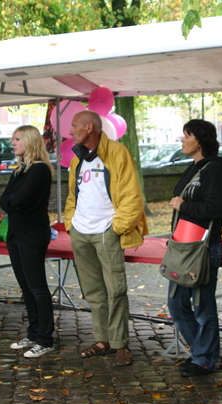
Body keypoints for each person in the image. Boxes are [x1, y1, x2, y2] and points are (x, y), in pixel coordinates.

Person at [64, 110, 148, 367]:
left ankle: (121, 343)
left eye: (74, 126)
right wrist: (71, 224)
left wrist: (115, 228)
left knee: (116, 290)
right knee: (94, 291)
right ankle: (103, 340)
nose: (70, 131)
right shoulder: (78, 159)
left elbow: (132, 196)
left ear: (89, 127)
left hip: (106, 232)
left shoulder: (117, 152)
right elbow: (72, 194)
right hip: (81, 232)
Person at [167, 119, 222, 377]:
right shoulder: (193, 167)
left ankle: (203, 358)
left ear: (200, 140)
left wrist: (184, 206)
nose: (181, 139)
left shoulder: (212, 169)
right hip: (184, 247)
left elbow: (218, 208)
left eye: (186, 135)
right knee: (176, 304)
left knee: (202, 307)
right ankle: (203, 353)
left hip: (203, 249)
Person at [0, 125, 55, 358]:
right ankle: (33, 333)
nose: (13, 143)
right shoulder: (20, 170)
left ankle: (45, 338)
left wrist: (14, 202)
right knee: (26, 287)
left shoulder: (39, 170)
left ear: (29, 142)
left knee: (37, 287)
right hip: (16, 232)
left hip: (32, 234)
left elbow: (20, 199)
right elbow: (5, 201)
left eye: (17, 139)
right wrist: (13, 203)